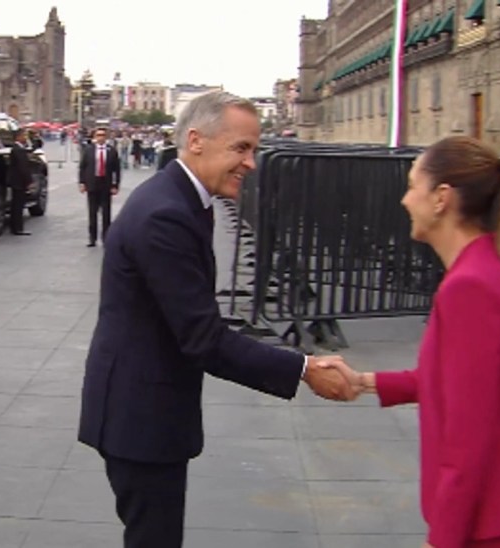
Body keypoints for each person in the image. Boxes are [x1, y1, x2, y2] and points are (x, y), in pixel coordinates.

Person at [77, 91, 356, 548]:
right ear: (196, 140)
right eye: (241, 148)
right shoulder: (165, 215)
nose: (251, 163)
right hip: (139, 418)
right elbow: (203, 338)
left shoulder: (182, 199)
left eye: (254, 149)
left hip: (146, 408)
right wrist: (304, 369)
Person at [325, 136, 500, 547]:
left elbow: (469, 434)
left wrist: (444, 539)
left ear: (441, 198)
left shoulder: (470, 288)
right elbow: (455, 382)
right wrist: (363, 381)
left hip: (495, 518)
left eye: (411, 186)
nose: (405, 200)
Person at [78, 127, 120, 247]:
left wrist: (115, 185)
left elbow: (116, 170)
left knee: (106, 213)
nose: (100, 137)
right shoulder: (89, 150)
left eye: (103, 135)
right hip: (92, 183)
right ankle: (92, 238)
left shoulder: (111, 151)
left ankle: (106, 237)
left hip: (106, 184)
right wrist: (82, 183)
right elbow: (83, 167)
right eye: (98, 135)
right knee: (92, 212)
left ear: (106, 137)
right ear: (95, 137)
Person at [8, 129, 32, 236]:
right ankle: (17, 228)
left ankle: (15, 227)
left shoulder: (17, 148)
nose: (25, 138)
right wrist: (29, 180)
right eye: (24, 136)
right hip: (19, 181)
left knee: (16, 204)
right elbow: (23, 167)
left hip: (16, 180)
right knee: (18, 205)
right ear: (18, 137)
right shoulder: (18, 150)